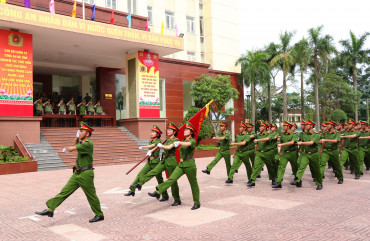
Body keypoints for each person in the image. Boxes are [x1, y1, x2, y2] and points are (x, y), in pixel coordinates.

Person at [35, 122, 104, 223]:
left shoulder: (88, 143)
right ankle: (50, 209)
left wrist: (65, 149)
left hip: (86, 174)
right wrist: (76, 139)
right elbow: (76, 146)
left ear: (87, 134)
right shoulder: (82, 143)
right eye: (79, 131)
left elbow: (71, 149)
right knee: (64, 191)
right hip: (77, 173)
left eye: (81, 131)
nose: (79, 133)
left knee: (91, 195)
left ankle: (99, 214)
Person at [148, 122, 201, 210]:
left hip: (190, 165)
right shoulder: (183, 140)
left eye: (187, 130)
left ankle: (197, 203)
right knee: (172, 179)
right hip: (180, 164)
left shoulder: (192, 140)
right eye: (185, 129)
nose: (185, 131)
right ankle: (158, 191)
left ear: (191, 132)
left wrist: (179, 142)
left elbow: (188, 144)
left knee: (193, 184)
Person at [130, 122, 181, 206]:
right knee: (153, 172)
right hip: (164, 160)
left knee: (172, 181)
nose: (167, 131)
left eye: (170, 130)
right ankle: (140, 184)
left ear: (174, 132)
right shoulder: (167, 140)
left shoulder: (176, 140)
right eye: (167, 129)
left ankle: (177, 199)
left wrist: (160, 145)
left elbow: (168, 147)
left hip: (171, 161)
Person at [125, 125, 170, 201]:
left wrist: (143, 147)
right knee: (140, 174)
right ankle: (132, 190)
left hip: (156, 162)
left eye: (153, 132)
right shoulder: (151, 140)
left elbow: (152, 146)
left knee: (159, 180)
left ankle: (165, 195)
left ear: (158, 134)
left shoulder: (159, 141)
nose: (151, 133)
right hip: (150, 162)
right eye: (151, 132)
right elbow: (151, 145)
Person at [292, 120, 323, 190]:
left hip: (314, 154)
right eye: (305, 125)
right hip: (306, 154)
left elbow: (311, 142)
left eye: (307, 125)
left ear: (311, 126)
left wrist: (301, 143)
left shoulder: (316, 134)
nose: (305, 126)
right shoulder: (304, 134)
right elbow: (301, 141)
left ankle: (319, 183)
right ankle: (297, 179)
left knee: (316, 170)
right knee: (301, 167)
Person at [247, 122, 277, 187]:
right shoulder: (258, 134)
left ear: (265, 127)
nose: (260, 127)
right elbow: (256, 142)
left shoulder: (270, 134)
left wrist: (258, 139)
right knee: (255, 166)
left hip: (267, 153)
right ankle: (252, 180)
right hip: (259, 153)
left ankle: (273, 179)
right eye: (260, 126)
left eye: (261, 126)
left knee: (270, 167)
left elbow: (267, 139)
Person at [273, 121, 298, 188]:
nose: (283, 127)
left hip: (293, 153)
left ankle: (298, 180)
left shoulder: (294, 134)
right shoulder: (283, 134)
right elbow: (281, 143)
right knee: (281, 167)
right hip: (284, 153)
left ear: (288, 127)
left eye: (284, 126)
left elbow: (292, 142)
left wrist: (282, 144)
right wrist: (281, 152)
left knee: (295, 167)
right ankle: (279, 182)